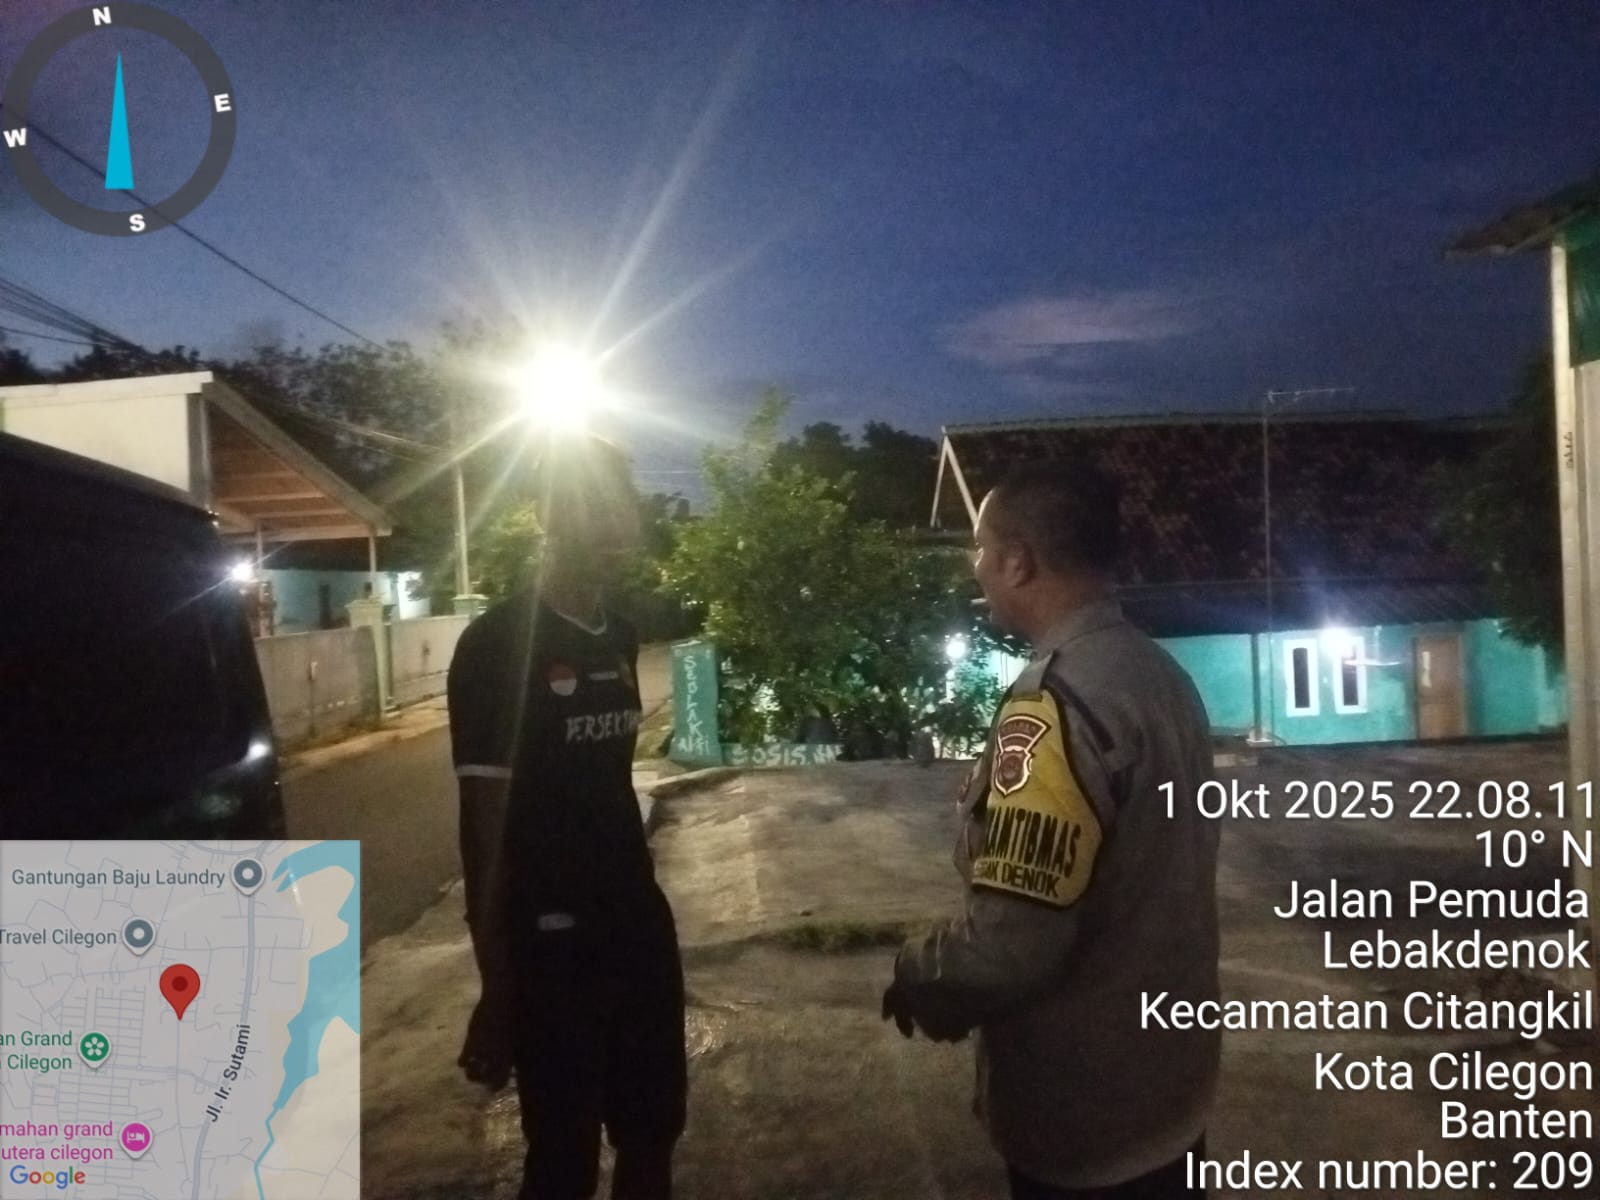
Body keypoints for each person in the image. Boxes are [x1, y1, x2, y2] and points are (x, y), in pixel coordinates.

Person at [882, 461, 1220, 1200]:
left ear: (1018, 562)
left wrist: (920, 974)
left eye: (979, 549)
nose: (975, 568)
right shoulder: (1159, 674)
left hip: (1087, 1116)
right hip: (1172, 1086)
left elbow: (1010, 947)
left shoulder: (1054, 708)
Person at [448, 438, 687, 1200]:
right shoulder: (495, 646)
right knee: (562, 1158)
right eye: (596, 509)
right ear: (549, 516)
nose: (617, 528)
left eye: (622, 509)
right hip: (551, 941)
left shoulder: (619, 635)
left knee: (653, 1133)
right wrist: (498, 986)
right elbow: (483, 832)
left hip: (636, 922)